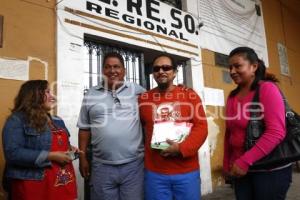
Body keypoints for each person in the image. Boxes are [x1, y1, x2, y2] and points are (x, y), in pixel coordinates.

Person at [223, 47, 292, 199]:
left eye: (238, 66)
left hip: (269, 170)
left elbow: (276, 132)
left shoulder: (267, 89)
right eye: (230, 67)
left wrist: (245, 161)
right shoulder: (232, 96)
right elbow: (230, 132)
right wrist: (227, 163)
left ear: (254, 66)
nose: (232, 71)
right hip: (241, 171)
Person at [138, 54, 208, 200]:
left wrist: (181, 149)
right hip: (155, 173)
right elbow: (137, 128)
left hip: (186, 172)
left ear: (175, 72)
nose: (161, 71)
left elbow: (201, 127)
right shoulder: (143, 99)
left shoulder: (190, 95)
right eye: (156, 68)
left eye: (166, 67)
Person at [77, 52, 145, 200]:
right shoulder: (91, 94)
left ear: (124, 71)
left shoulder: (137, 91)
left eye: (116, 67)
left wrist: (177, 89)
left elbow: (160, 99)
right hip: (102, 167)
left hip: (134, 166)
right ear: (103, 71)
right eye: (108, 67)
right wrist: (82, 158)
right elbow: (84, 128)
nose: (112, 70)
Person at [2, 80, 78, 200]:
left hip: (62, 182)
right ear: (34, 95)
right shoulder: (16, 120)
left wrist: (71, 150)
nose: (52, 96)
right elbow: (13, 153)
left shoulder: (58, 120)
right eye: (47, 92)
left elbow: (61, 144)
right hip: (34, 184)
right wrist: (51, 156)